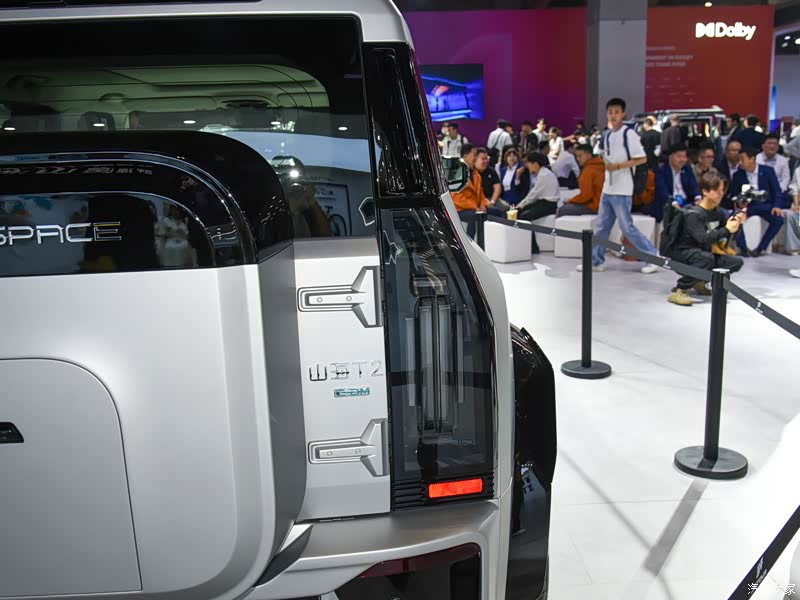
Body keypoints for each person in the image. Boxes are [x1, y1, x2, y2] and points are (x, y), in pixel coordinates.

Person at [585, 97, 660, 274]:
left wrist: (618, 166)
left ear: (623, 114)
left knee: (627, 227)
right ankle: (596, 261)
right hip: (608, 188)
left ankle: (653, 257)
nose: (613, 115)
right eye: (610, 112)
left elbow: (641, 158)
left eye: (616, 112)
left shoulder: (629, 134)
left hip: (623, 189)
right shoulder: (607, 135)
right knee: (602, 227)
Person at [666, 171, 745, 307]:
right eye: (716, 190)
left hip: (703, 253)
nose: (720, 194)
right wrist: (726, 229)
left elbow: (726, 238)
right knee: (706, 259)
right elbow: (703, 239)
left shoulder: (719, 213)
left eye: (722, 190)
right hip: (684, 253)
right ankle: (679, 289)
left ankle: (699, 281)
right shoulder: (693, 214)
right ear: (705, 191)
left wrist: (738, 225)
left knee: (735, 262)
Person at [730, 147, 785, 256]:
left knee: (778, 219)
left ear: (752, 158)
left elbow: (777, 191)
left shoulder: (768, 171)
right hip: (748, 206)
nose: (740, 162)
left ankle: (761, 248)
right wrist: (739, 202)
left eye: (742, 159)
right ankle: (743, 247)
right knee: (734, 218)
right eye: (739, 160)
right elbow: (734, 195)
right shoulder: (738, 175)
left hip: (765, 205)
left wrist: (777, 206)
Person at [516, 152, 560, 253]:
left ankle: (533, 247)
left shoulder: (544, 175)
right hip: (542, 202)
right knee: (520, 212)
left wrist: (520, 205)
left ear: (535, 163)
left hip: (549, 205)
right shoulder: (543, 173)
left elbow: (534, 194)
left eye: (528, 163)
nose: (527, 166)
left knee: (524, 216)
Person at [653, 143, 701, 223]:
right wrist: (673, 203)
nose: (682, 160)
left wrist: (698, 197)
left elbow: (694, 186)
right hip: (668, 204)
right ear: (670, 157)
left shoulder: (687, 169)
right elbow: (663, 192)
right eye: (679, 157)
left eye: (684, 157)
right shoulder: (661, 171)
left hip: (686, 203)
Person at [557, 143, 603, 216]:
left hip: (594, 206)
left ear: (588, 155)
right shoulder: (601, 165)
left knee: (562, 209)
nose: (578, 159)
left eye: (580, 156)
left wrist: (571, 200)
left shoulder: (588, 171)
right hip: (603, 204)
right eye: (577, 156)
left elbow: (586, 195)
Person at [451, 144, 487, 237]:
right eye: (474, 155)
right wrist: (474, 207)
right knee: (475, 218)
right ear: (465, 156)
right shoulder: (456, 173)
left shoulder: (476, 174)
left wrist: (483, 204)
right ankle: (470, 243)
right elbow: (456, 199)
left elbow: (481, 193)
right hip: (460, 210)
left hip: (475, 208)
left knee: (497, 213)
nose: (476, 158)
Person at [475, 147, 510, 211]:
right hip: (477, 200)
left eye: (486, 158)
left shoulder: (491, 171)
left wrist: (492, 201)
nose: (486, 161)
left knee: (506, 207)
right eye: (483, 159)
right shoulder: (471, 172)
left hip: (492, 198)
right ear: (475, 159)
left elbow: (497, 188)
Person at [782, 164, 800, 255]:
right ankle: (794, 248)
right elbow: (794, 189)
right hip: (799, 205)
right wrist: (796, 205)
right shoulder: (798, 170)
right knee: (790, 214)